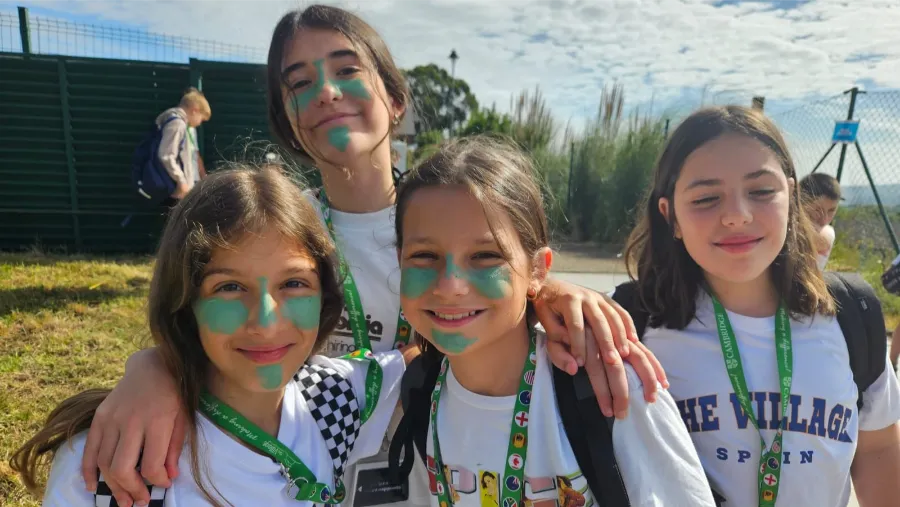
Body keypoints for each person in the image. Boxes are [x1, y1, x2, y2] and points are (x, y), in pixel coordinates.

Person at [76, 5, 666, 507]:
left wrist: (553, 292)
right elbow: (214, 317)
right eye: (299, 82)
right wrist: (152, 368)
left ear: (395, 96)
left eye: (346, 69)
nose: (326, 92)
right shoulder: (283, 233)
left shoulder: (447, 218)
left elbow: (508, 280)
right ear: (286, 119)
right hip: (305, 468)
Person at [11, 165, 410, 506]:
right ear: (185, 301)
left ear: (324, 294)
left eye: (293, 283)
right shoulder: (109, 462)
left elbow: (427, 357)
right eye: (229, 287)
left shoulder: (334, 396)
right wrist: (155, 363)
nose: (266, 322)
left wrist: (150, 362)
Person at [389, 136, 715, 506]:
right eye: (424, 256)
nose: (450, 286)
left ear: (537, 271)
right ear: (400, 259)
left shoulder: (610, 388)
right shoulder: (418, 392)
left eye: (485, 255)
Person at [622, 105, 900, 506]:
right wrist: (551, 296)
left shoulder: (851, 314)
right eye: (705, 198)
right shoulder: (634, 323)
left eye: (761, 191)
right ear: (671, 217)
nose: (737, 215)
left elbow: (876, 447)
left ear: (791, 197)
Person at [157, 87, 211, 201]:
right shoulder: (177, 124)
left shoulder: (183, 125)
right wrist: (181, 180)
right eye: (201, 119)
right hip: (175, 188)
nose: (199, 123)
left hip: (179, 187)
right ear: (194, 110)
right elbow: (166, 155)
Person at [799, 172, 841, 271]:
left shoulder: (827, 233)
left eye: (831, 211)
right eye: (817, 210)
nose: (824, 219)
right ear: (800, 202)